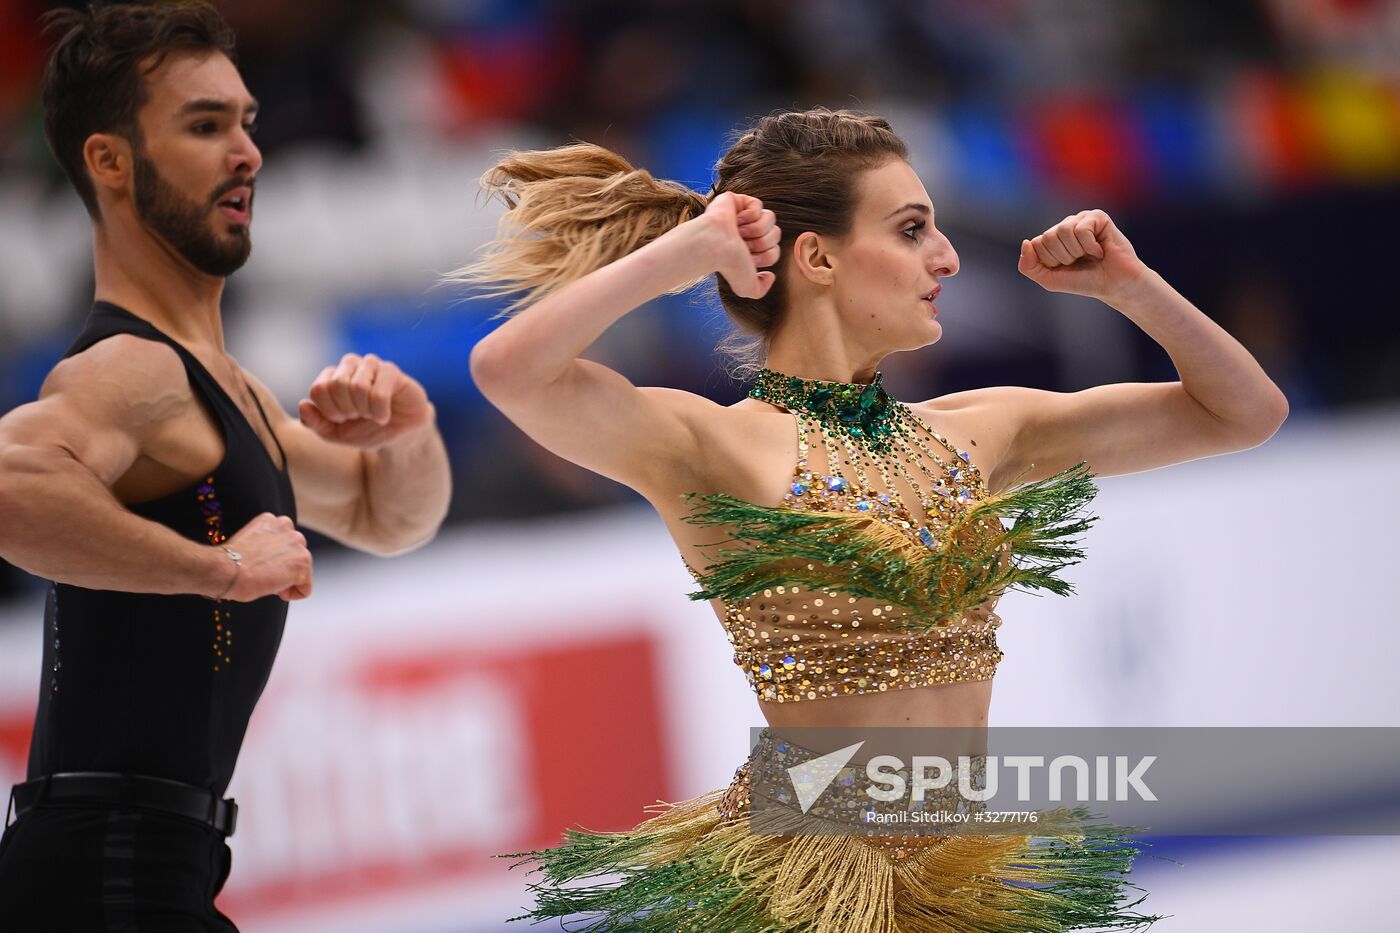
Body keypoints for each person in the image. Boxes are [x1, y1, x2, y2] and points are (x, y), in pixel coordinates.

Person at [463, 110, 1287, 929]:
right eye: (912, 229)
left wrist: (1128, 287)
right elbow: (511, 370)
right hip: (817, 887)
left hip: (964, 877)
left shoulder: (975, 430)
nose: (948, 257)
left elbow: (1242, 413)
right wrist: (683, 254)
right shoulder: (714, 448)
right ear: (816, 257)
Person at [0, 4, 452, 930]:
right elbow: (9, 490)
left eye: (246, 122)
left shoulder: (218, 387)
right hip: (105, 870)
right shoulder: (129, 371)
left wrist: (408, 429)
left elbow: (386, 516)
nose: (247, 151)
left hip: (143, 864)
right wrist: (221, 570)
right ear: (109, 161)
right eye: (206, 125)